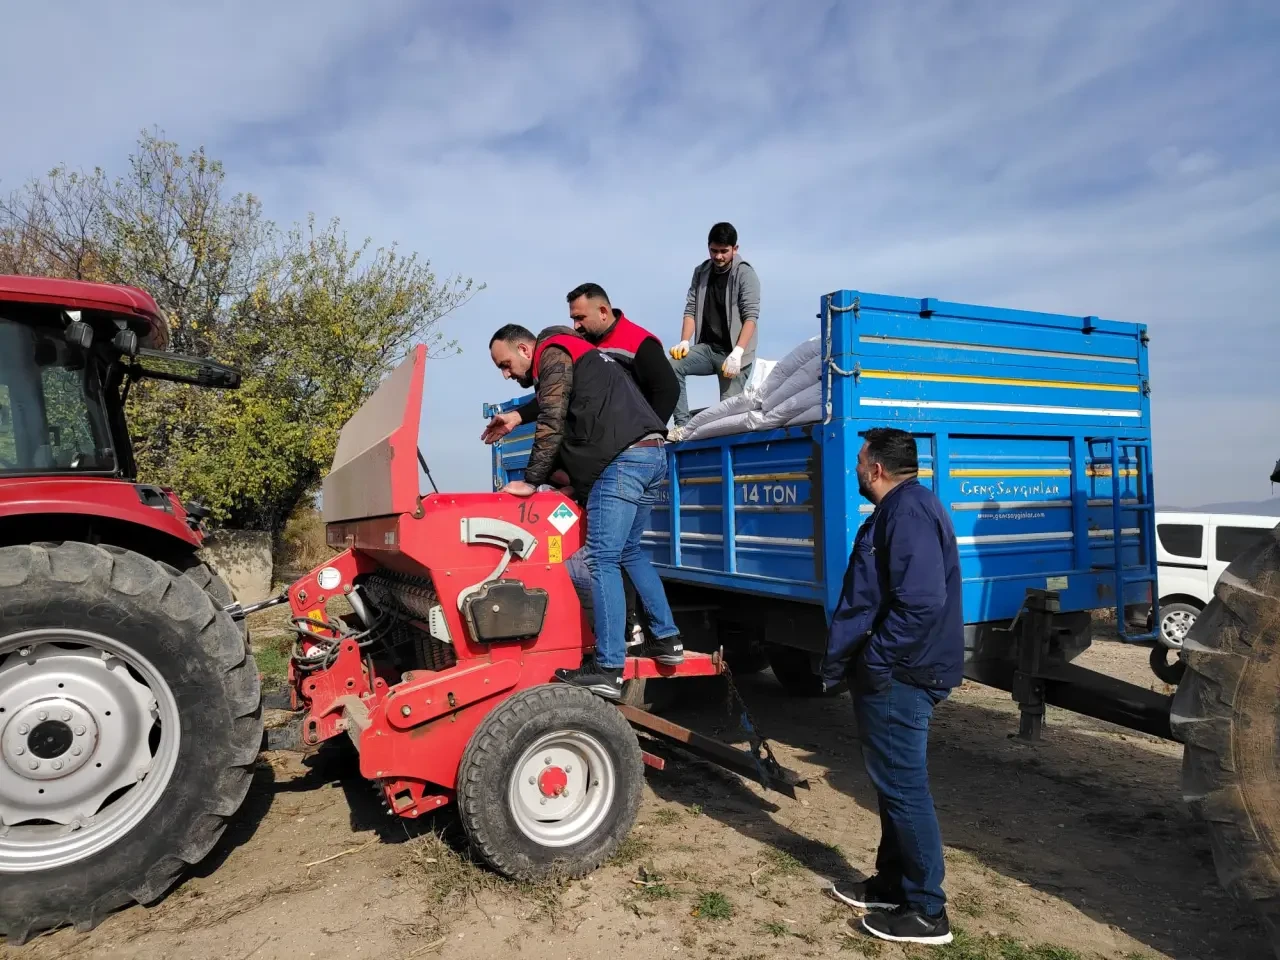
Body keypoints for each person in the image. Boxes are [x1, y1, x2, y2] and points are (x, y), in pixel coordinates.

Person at [484, 323, 684, 699]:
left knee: (599, 560)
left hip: (622, 460)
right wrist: (514, 417)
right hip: (652, 452)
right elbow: (552, 400)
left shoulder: (551, 354)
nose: (506, 374)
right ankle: (668, 640)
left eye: (506, 364)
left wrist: (531, 480)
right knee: (629, 552)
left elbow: (553, 418)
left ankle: (608, 668)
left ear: (526, 350)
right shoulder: (577, 353)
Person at [819, 427, 963, 947]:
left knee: (904, 788)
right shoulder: (904, 508)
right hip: (897, 671)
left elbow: (922, 600)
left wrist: (876, 661)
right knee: (891, 787)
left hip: (903, 676)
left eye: (860, 462)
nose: (856, 469)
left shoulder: (907, 512)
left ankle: (927, 910)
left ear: (876, 469)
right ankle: (892, 884)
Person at [668, 221, 761, 438]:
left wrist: (738, 353)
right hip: (708, 348)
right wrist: (684, 341)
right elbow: (690, 309)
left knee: (727, 419)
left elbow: (751, 317)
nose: (718, 256)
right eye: (714, 251)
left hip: (734, 354)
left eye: (724, 251)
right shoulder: (701, 272)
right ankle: (683, 425)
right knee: (672, 365)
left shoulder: (745, 274)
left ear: (735, 249)